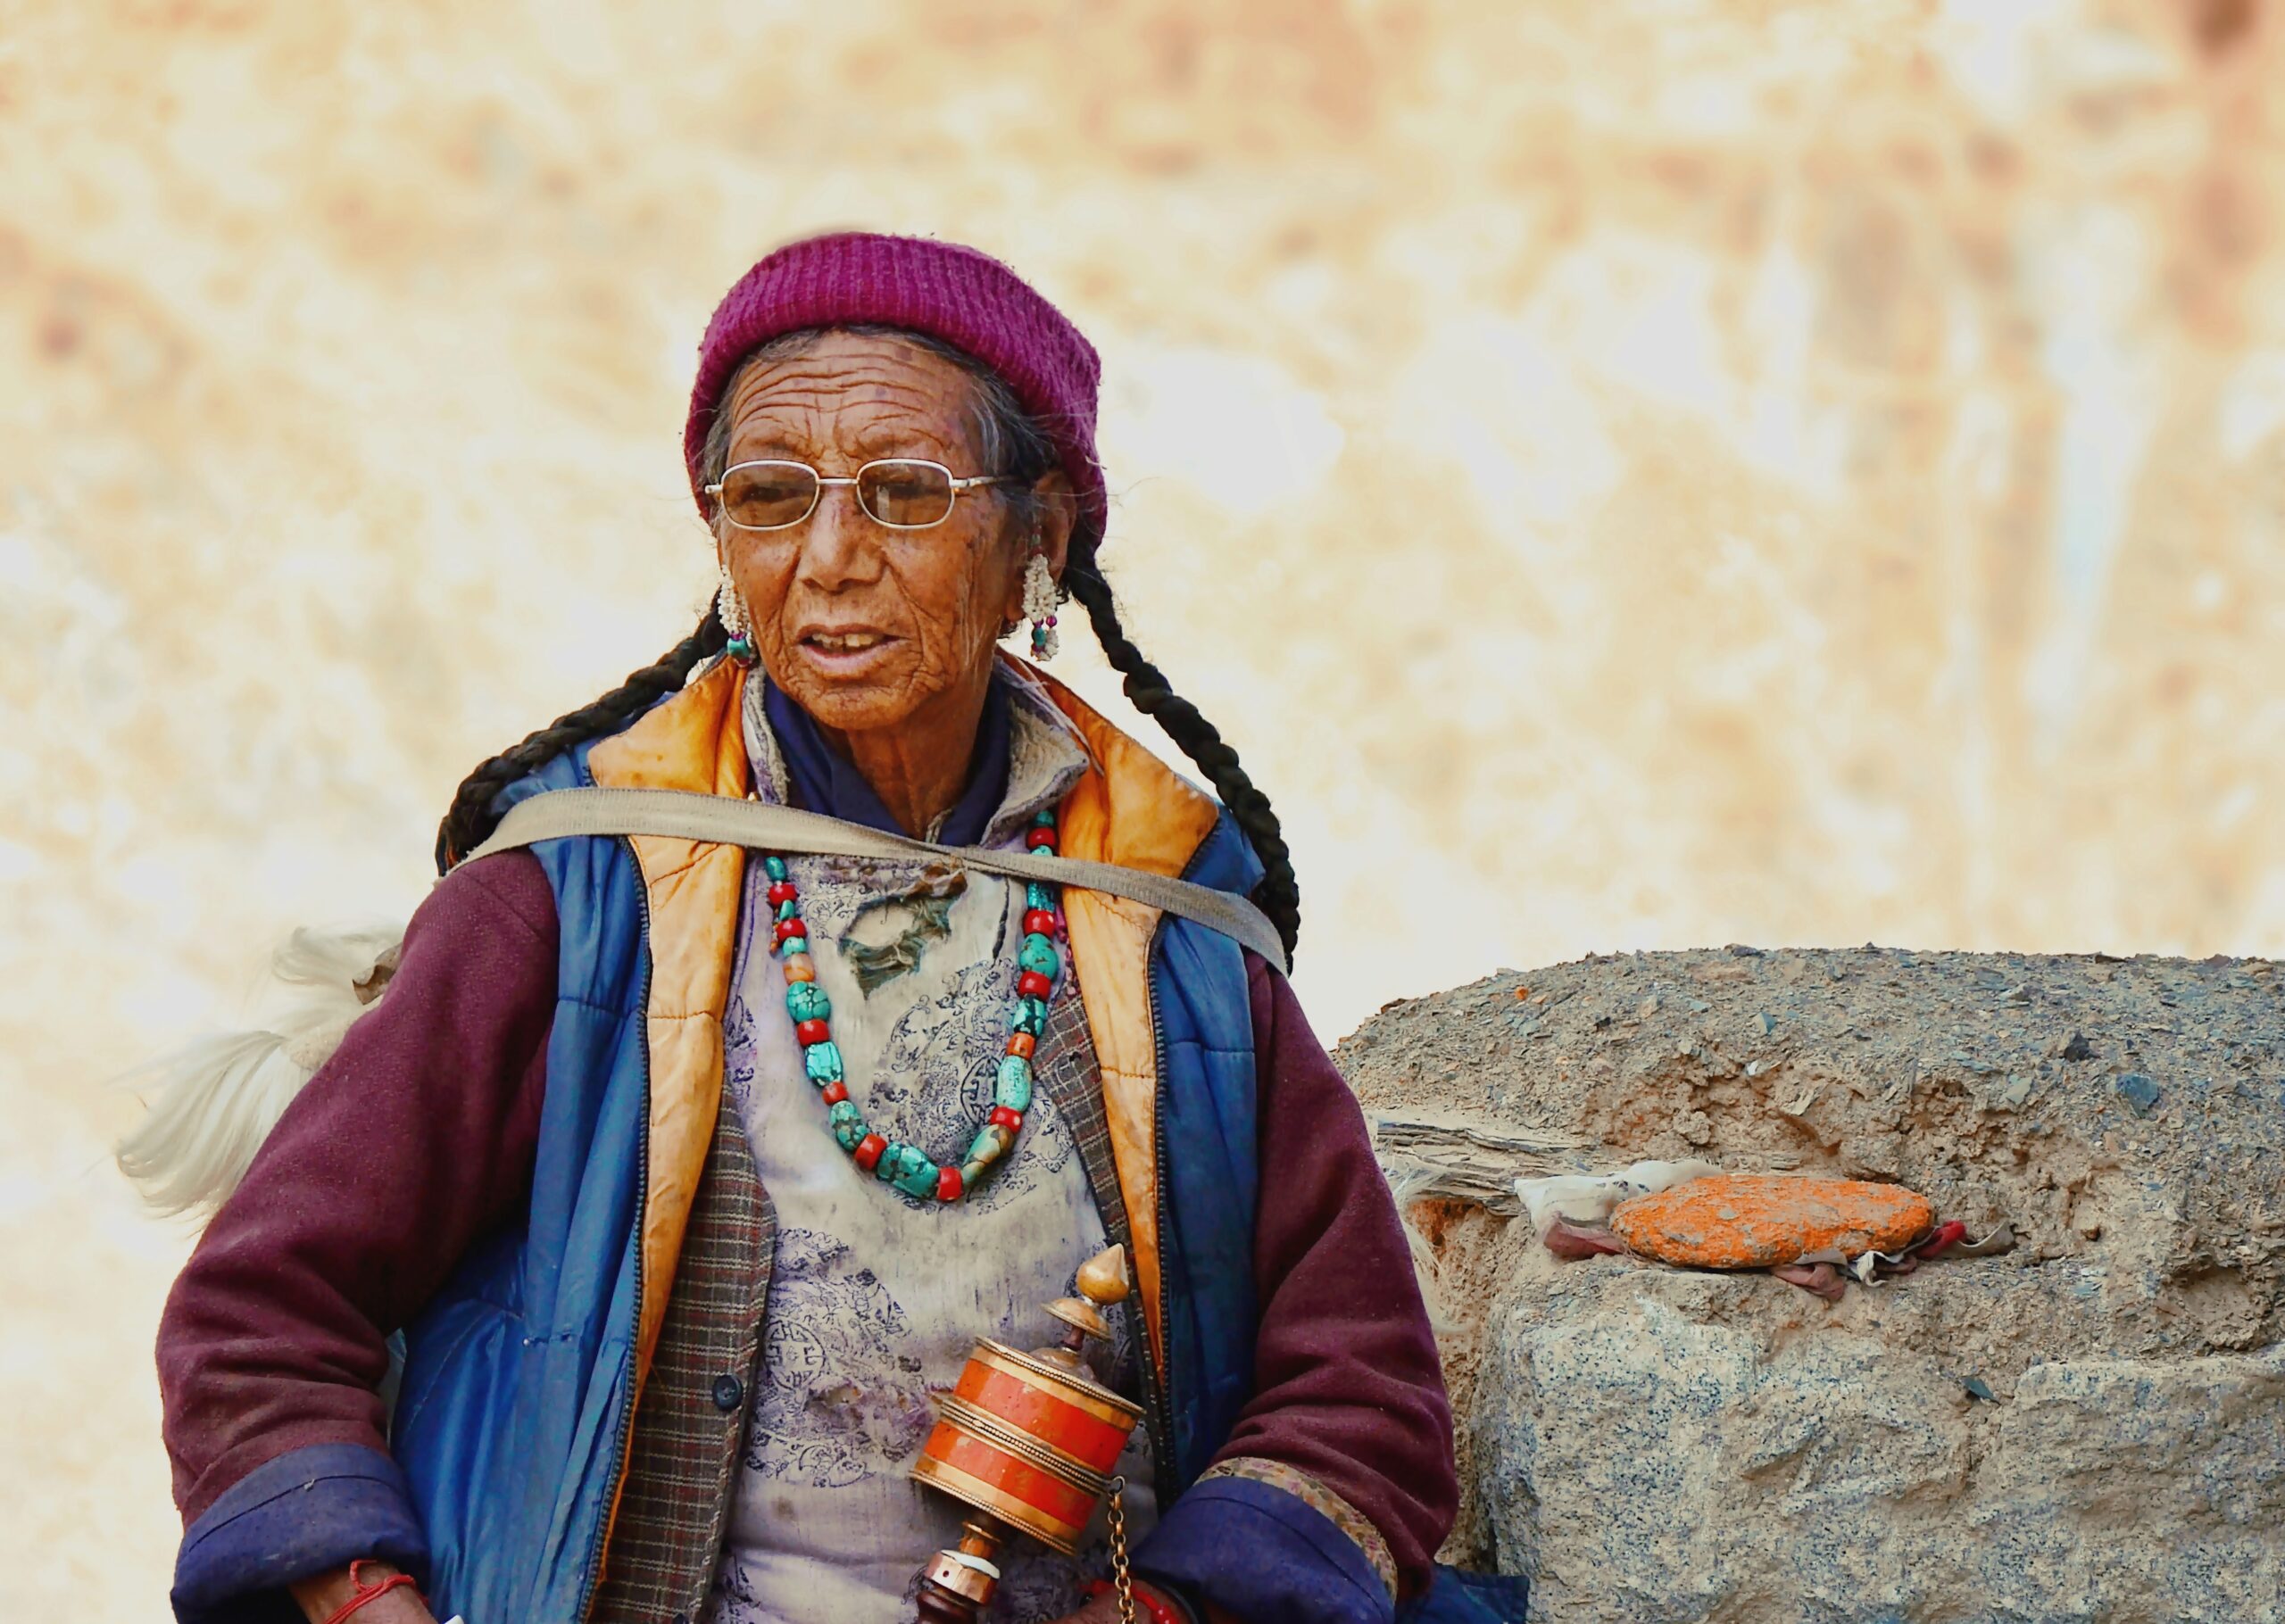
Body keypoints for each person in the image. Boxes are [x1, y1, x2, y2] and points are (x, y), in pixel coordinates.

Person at [154, 232, 1495, 1624]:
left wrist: (1175, 1610)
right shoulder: (582, 886)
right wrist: (368, 1603)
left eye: (906, 494)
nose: (832, 558)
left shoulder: (1170, 919)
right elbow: (263, 1309)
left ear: (1039, 537)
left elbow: (1361, 1384)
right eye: (773, 497)